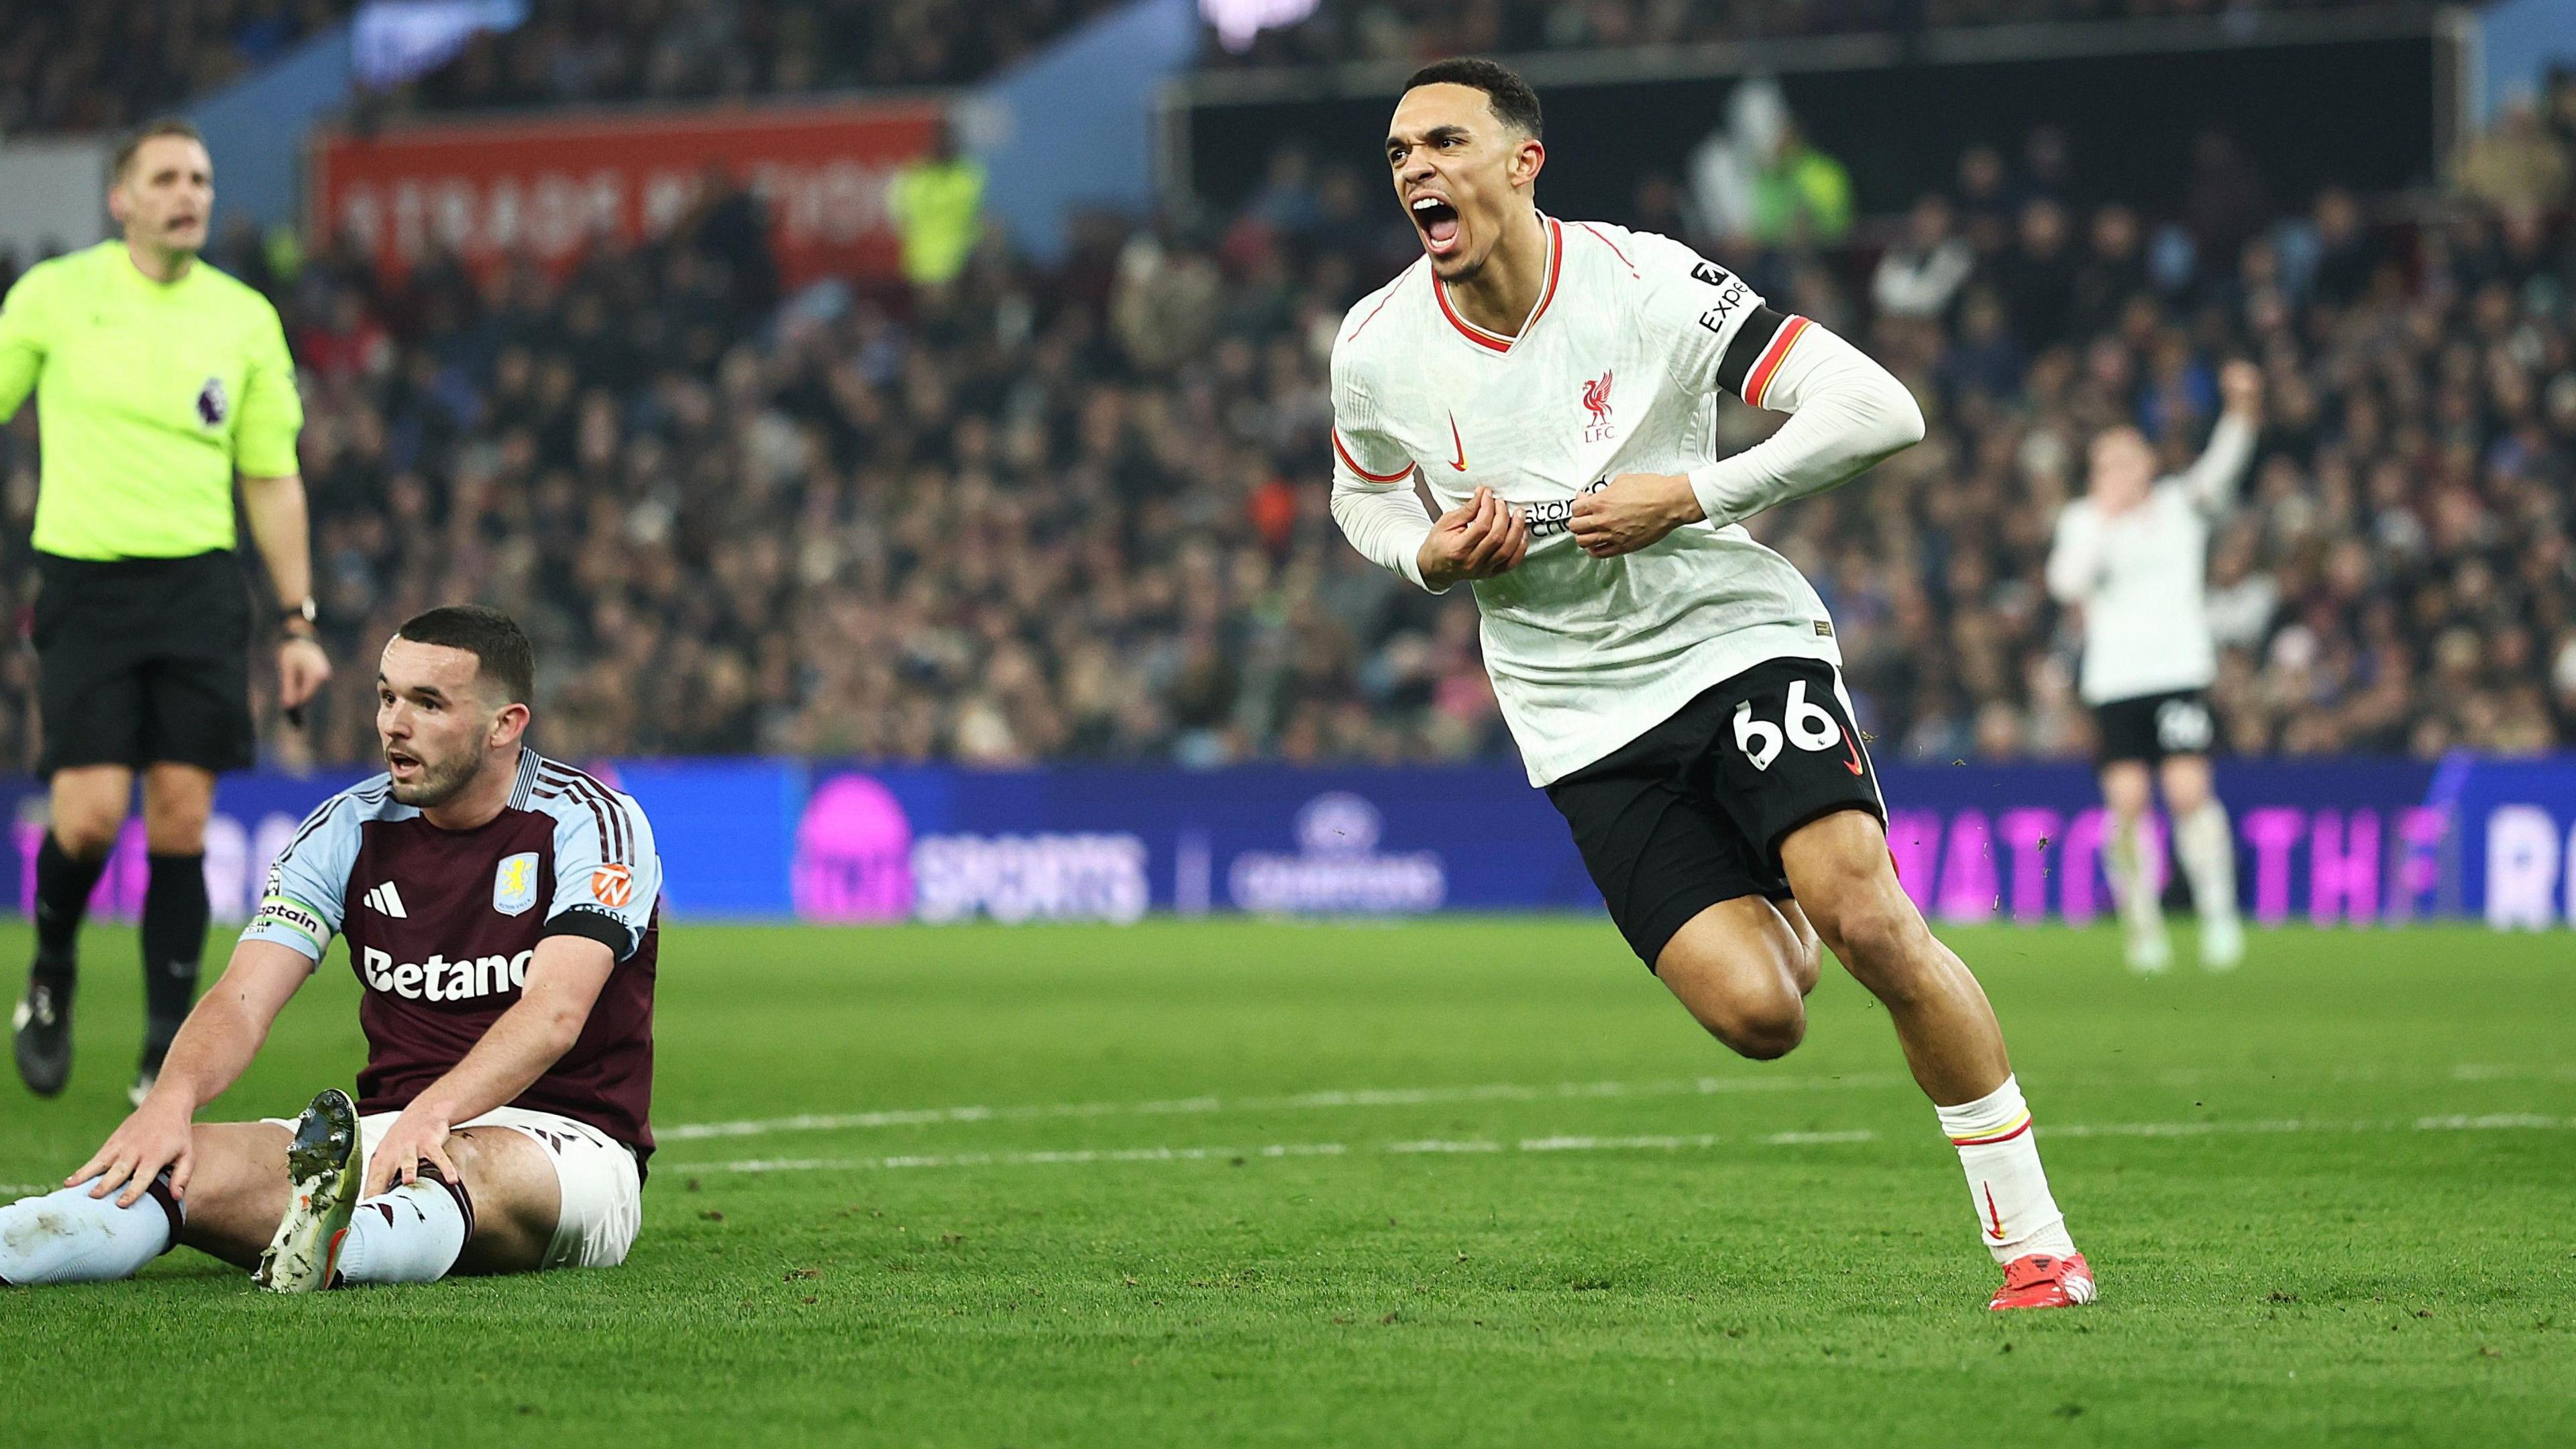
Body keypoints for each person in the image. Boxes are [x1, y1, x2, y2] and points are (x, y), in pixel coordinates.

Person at [1330, 58, 2092, 1311]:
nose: (1414, 167)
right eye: (1401, 150)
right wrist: (1426, 553)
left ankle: (2037, 1249)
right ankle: (1769, 882)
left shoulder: (1647, 284)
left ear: (1524, 162)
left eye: (1444, 142)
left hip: (1729, 639)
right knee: (1760, 1014)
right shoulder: (1374, 345)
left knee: (1863, 917)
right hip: (1574, 708)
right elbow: (1360, 495)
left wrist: (1693, 492)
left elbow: (1878, 408)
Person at [0, 606, 663, 1291]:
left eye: (428, 704)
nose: (393, 725)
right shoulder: (346, 828)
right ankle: (14, 1246)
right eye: (386, 696)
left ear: (505, 725)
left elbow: (555, 1012)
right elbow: (243, 998)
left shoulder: (591, 822)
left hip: (566, 1149)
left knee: (460, 1163)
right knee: (172, 1166)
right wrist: (170, 1100)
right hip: (387, 1134)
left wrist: (432, 1114)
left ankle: (344, 1244)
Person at [0, 117, 331, 1104]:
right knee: (94, 816)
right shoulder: (55, 298)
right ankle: (51, 969)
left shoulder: (243, 318)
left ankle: (159, 1055)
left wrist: (298, 620)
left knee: (182, 819)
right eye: (169, 177)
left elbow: (272, 479)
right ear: (124, 198)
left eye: (202, 177)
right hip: (86, 584)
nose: (191, 192)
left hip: (197, 588)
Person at [2046, 364, 2263, 972]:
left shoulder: (2178, 506)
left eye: (2128, 461)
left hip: (2176, 673)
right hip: (2114, 682)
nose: (2119, 473)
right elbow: (2065, 583)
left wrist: (2243, 410)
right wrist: (2107, 520)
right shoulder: (2084, 522)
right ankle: (2143, 927)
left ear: (2147, 465)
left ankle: (2219, 916)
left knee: (2190, 792)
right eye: (2107, 464)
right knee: (2127, 804)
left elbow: (2224, 465)